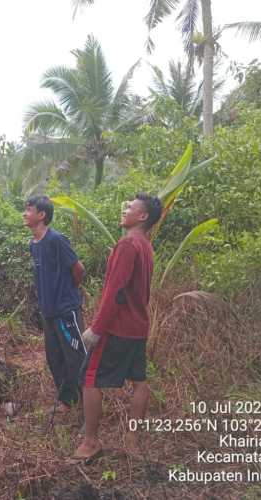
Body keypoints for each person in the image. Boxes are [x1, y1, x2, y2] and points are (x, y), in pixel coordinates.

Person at [71, 192, 162, 462]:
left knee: (89, 379)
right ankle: (132, 440)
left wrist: (97, 328)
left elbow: (115, 292)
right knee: (140, 383)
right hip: (138, 326)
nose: (126, 210)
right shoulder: (144, 245)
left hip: (118, 328)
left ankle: (90, 443)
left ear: (142, 216)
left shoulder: (128, 245)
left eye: (131, 208)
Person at [23, 195, 86, 413]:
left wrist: (68, 293)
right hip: (48, 312)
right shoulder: (33, 244)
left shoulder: (56, 240)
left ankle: (88, 409)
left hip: (66, 312)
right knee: (55, 359)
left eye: (29, 209)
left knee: (76, 357)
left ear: (41, 215)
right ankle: (68, 402)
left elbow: (78, 269)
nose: (25, 213)